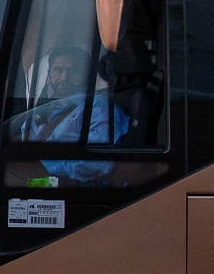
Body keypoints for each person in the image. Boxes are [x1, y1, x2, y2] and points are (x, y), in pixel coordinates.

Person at [7, 44, 133, 185]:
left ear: (86, 74)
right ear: (49, 73)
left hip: (71, 187)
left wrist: (45, 168)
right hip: (37, 177)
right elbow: (26, 137)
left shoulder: (98, 107)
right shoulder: (49, 106)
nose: (64, 77)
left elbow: (99, 163)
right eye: (58, 70)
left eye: (72, 71)